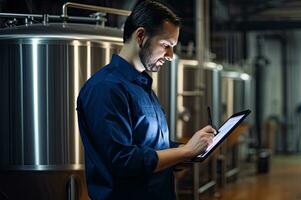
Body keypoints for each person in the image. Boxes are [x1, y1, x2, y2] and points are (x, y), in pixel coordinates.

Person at [76, 1, 215, 199]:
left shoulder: (143, 85)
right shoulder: (105, 88)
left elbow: (150, 147)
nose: (170, 56)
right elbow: (123, 160)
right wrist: (184, 152)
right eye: (166, 45)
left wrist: (186, 149)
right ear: (140, 36)